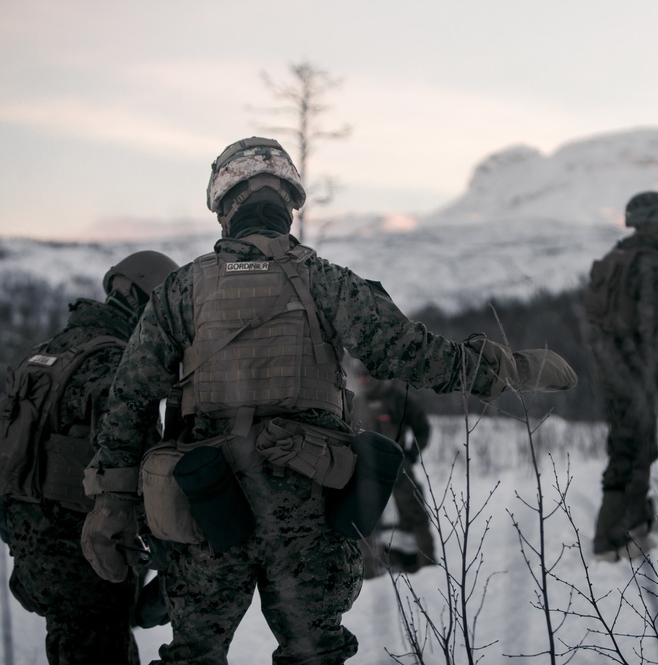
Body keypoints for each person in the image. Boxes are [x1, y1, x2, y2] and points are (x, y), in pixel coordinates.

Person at [78, 136, 577, 664]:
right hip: (307, 500)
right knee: (314, 653)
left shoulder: (180, 291)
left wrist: (112, 502)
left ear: (225, 207)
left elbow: (129, 401)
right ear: (289, 206)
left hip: (206, 501)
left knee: (194, 655)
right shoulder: (326, 282)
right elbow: (411, 354)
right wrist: (507, 370)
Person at [1, 250, 178, 664]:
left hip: (31, 548)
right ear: (147, 303)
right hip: (84, 559)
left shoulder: (42, 355)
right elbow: (143, 476)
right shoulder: (119, 363)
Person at [584, 190, 658, 561]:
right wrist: (657, 371)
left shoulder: (614, 260)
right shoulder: (650, 266)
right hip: (634, 372)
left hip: (612, 371)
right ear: (654, 223)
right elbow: (655, 331)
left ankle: (638, 520)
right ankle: (611, 537)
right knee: (631, 449)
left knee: (638, 443)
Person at [350, 369, 435, 577]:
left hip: (398, 467)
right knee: (363, 520)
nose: (363, 381)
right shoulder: (356, 403)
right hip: (366, 471)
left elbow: (422, 427)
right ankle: (367, 571)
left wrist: (412, 453)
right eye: (360, 377)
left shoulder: (398, 398)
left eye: (367, 376)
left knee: (415, 514)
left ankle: (427, 566)